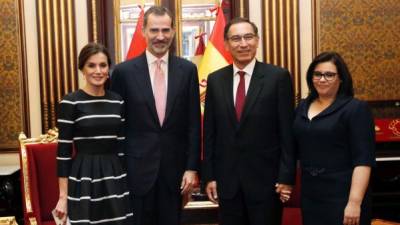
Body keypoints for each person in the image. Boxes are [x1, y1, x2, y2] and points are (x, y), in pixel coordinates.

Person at [110, 6, 201, 225]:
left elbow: (193, 124)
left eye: (165, 30)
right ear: (143, 31)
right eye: (154, 30)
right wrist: (121, 170)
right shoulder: (123, 72)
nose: (160, 37)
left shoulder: (187, 70)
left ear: (173, 31)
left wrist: (191, 168)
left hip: (175, 173)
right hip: (136, 172)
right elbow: (117, 127)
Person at [202, 17, 296, 225]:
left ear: (257, 40)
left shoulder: (277, 77)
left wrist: (286, 177)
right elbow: (210, 133)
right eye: (235, 38)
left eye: (248, 37)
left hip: (267, 182)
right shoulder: (216, 80)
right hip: (228, 183)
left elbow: (287, 133)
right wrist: (209, 176)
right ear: (226, 44)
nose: (243, 44)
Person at [290, 51, 375, 225]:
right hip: (311, 195)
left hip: (343, 196)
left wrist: (354, 202)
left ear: (341, 78)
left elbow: (363, 160)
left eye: (329, 75)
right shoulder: (301, 107)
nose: (322, 79)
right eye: (317, 74)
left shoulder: (355, 109)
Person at [54, 43, 133, 225]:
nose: (98, 71)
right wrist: (63, 197)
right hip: (84, 176)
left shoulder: (117, 101)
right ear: (82, 68)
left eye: (103, 65)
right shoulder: (70, 102)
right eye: (91, 65)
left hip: (114, 176)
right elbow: (63, 153)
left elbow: (121, 146)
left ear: (108, 68)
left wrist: (125, 182)